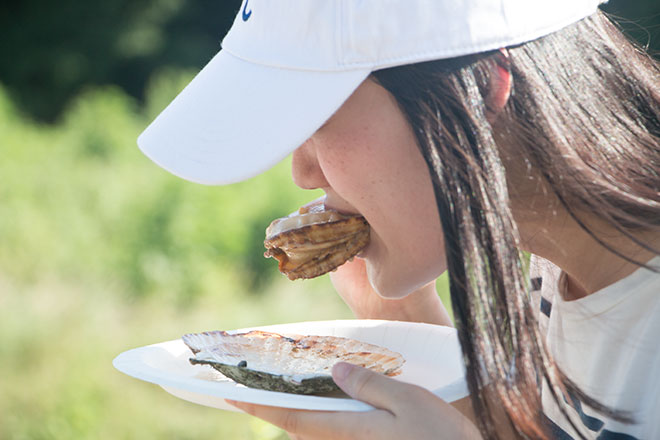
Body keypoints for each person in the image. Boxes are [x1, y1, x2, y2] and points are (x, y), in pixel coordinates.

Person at [137, 0, 660, 438]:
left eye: (317, 119)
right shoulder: (565, 263)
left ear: (480, 90)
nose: (301, 171)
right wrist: (408, 327)